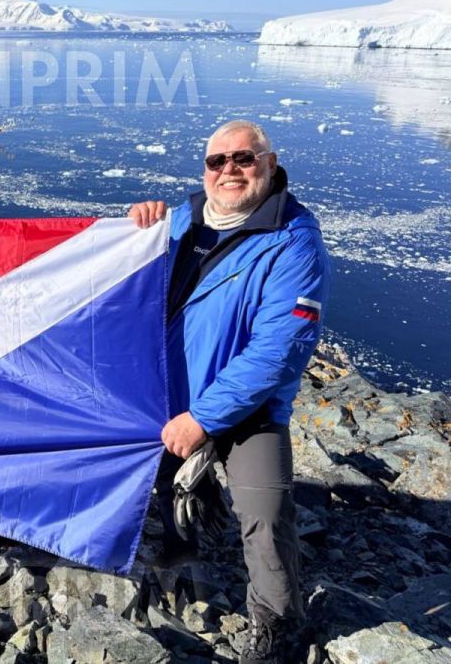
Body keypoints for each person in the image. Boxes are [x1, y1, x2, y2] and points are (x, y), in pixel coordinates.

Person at [129, 121, 330, 664]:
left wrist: (204, 419)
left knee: (265, 513)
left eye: (244, 159)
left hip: (246, 405)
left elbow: (279, 351)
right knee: (161, 482)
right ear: (205, 170)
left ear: (269, 164)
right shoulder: (179, 222)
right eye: (218, 161)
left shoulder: (294, 241)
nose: (230, 170)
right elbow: (127, 283)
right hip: (168, 392)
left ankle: (280, 626)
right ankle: (184, 538)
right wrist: (137, 228)